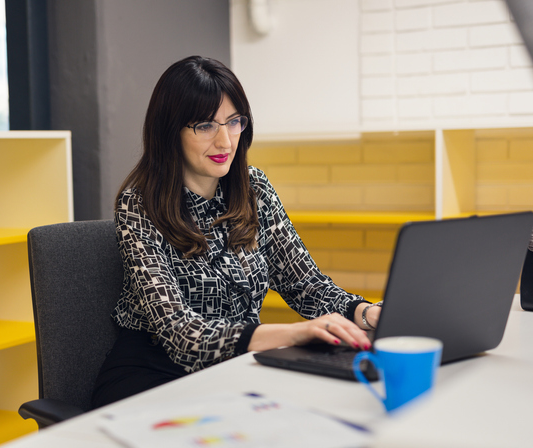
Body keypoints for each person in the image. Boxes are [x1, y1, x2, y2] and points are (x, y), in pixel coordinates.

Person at [91, 56, 381, 408]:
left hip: (232, 369)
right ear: (170, 131)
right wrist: (291, 334)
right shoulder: (138, 205)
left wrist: (364, 313)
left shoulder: (254, 187)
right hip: (154, 376)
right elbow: (181, 334)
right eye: (205, 126)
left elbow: (304, 284)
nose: (225, 141)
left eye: (234, 122)